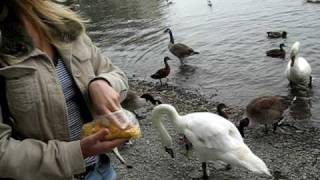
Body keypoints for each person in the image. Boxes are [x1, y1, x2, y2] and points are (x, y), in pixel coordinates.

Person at [0, 0, 129, 179]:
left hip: (101, 170)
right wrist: (77, 153)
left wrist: (102, 83)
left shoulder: (64, 23)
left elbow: (114, 73)